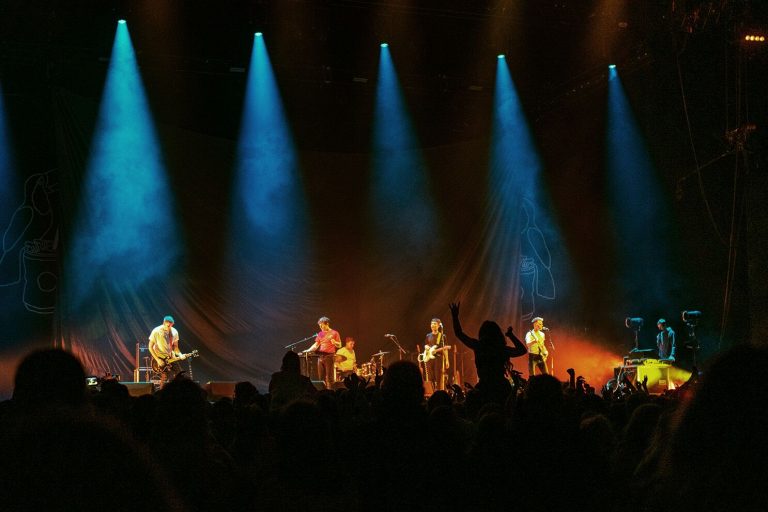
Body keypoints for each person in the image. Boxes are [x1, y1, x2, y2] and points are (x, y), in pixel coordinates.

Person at [449, 302, 527, 404]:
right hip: (501, 387)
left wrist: (455, 317)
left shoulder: (478, 346)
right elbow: (522, 350)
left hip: (484, 387)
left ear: (481, 333)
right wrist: (511, 335)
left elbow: (459, 334)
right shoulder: (501, 349)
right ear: (498, 335)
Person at [303, 316, 342, 388]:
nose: (320, 327)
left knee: (329, 378)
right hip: (320, 357)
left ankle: (330, 392)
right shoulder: (320, 333)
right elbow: (316, 345)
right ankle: (322, 392)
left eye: (322, 325)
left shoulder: (334, 333)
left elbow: (339, 345)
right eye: (319, 326)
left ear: (327, 324)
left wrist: (335, 342)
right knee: (321, 378)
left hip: (329, 357)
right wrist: (308, 350)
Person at [148, 315, 184, 383]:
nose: (169, 327)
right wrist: (158, 360)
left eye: (171, 325)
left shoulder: (175, 332)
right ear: (164, 323)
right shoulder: (156, 331)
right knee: (165, 378)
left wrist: (180, 354)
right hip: (160, 357)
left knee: (180, 374)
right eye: (168, 325)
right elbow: (150, 347)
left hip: (170, 357)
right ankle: (162, 393)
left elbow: (175, 347)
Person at [421, 318, 449, 391]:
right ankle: (432, 392)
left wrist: (447, 360)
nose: (433, 325)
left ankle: (439, 392)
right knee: (430, 378)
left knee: (438, 377)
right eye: (432, 323)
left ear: (439, 325)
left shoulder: (442, 336)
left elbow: (445, 349)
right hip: (429, 359)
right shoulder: (428, 335)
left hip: (438, 358)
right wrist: (426, 347)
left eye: (434, 324)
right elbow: (426, 345)